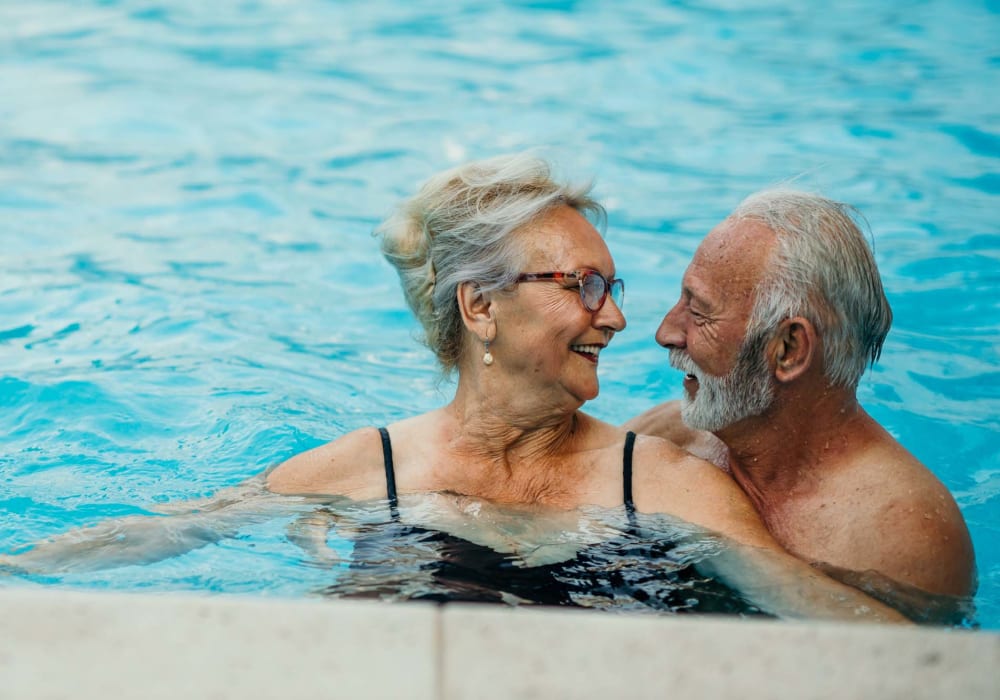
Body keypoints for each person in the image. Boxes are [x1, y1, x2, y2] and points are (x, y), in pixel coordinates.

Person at [2, 156, 903, 622]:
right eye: (583, 287)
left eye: (613, 287)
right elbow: (170, 530)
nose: (619, 319)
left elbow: (808, 609)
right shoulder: (367, 467)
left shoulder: (665, 483)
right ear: (480, 308)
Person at [624, 190, 976, 616]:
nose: (666, 332)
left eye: (699, 314)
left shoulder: (900, 535)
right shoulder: (673, 433)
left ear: (789, 348)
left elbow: (916, 674)